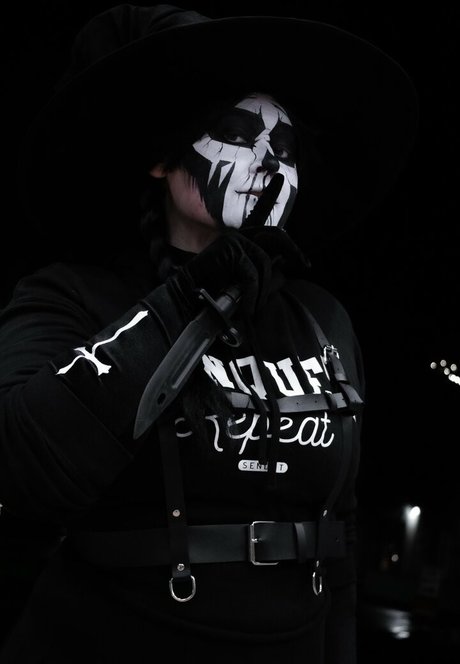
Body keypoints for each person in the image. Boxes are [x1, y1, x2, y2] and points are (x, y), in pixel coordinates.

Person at [0, 4, 418, 663]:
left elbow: (340, 533)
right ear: (161, 160)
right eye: (237, 134)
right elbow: (21, 470)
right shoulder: (71, 295)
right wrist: (184, 301)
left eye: (286, 149)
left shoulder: (322, 318)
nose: (270, 162)